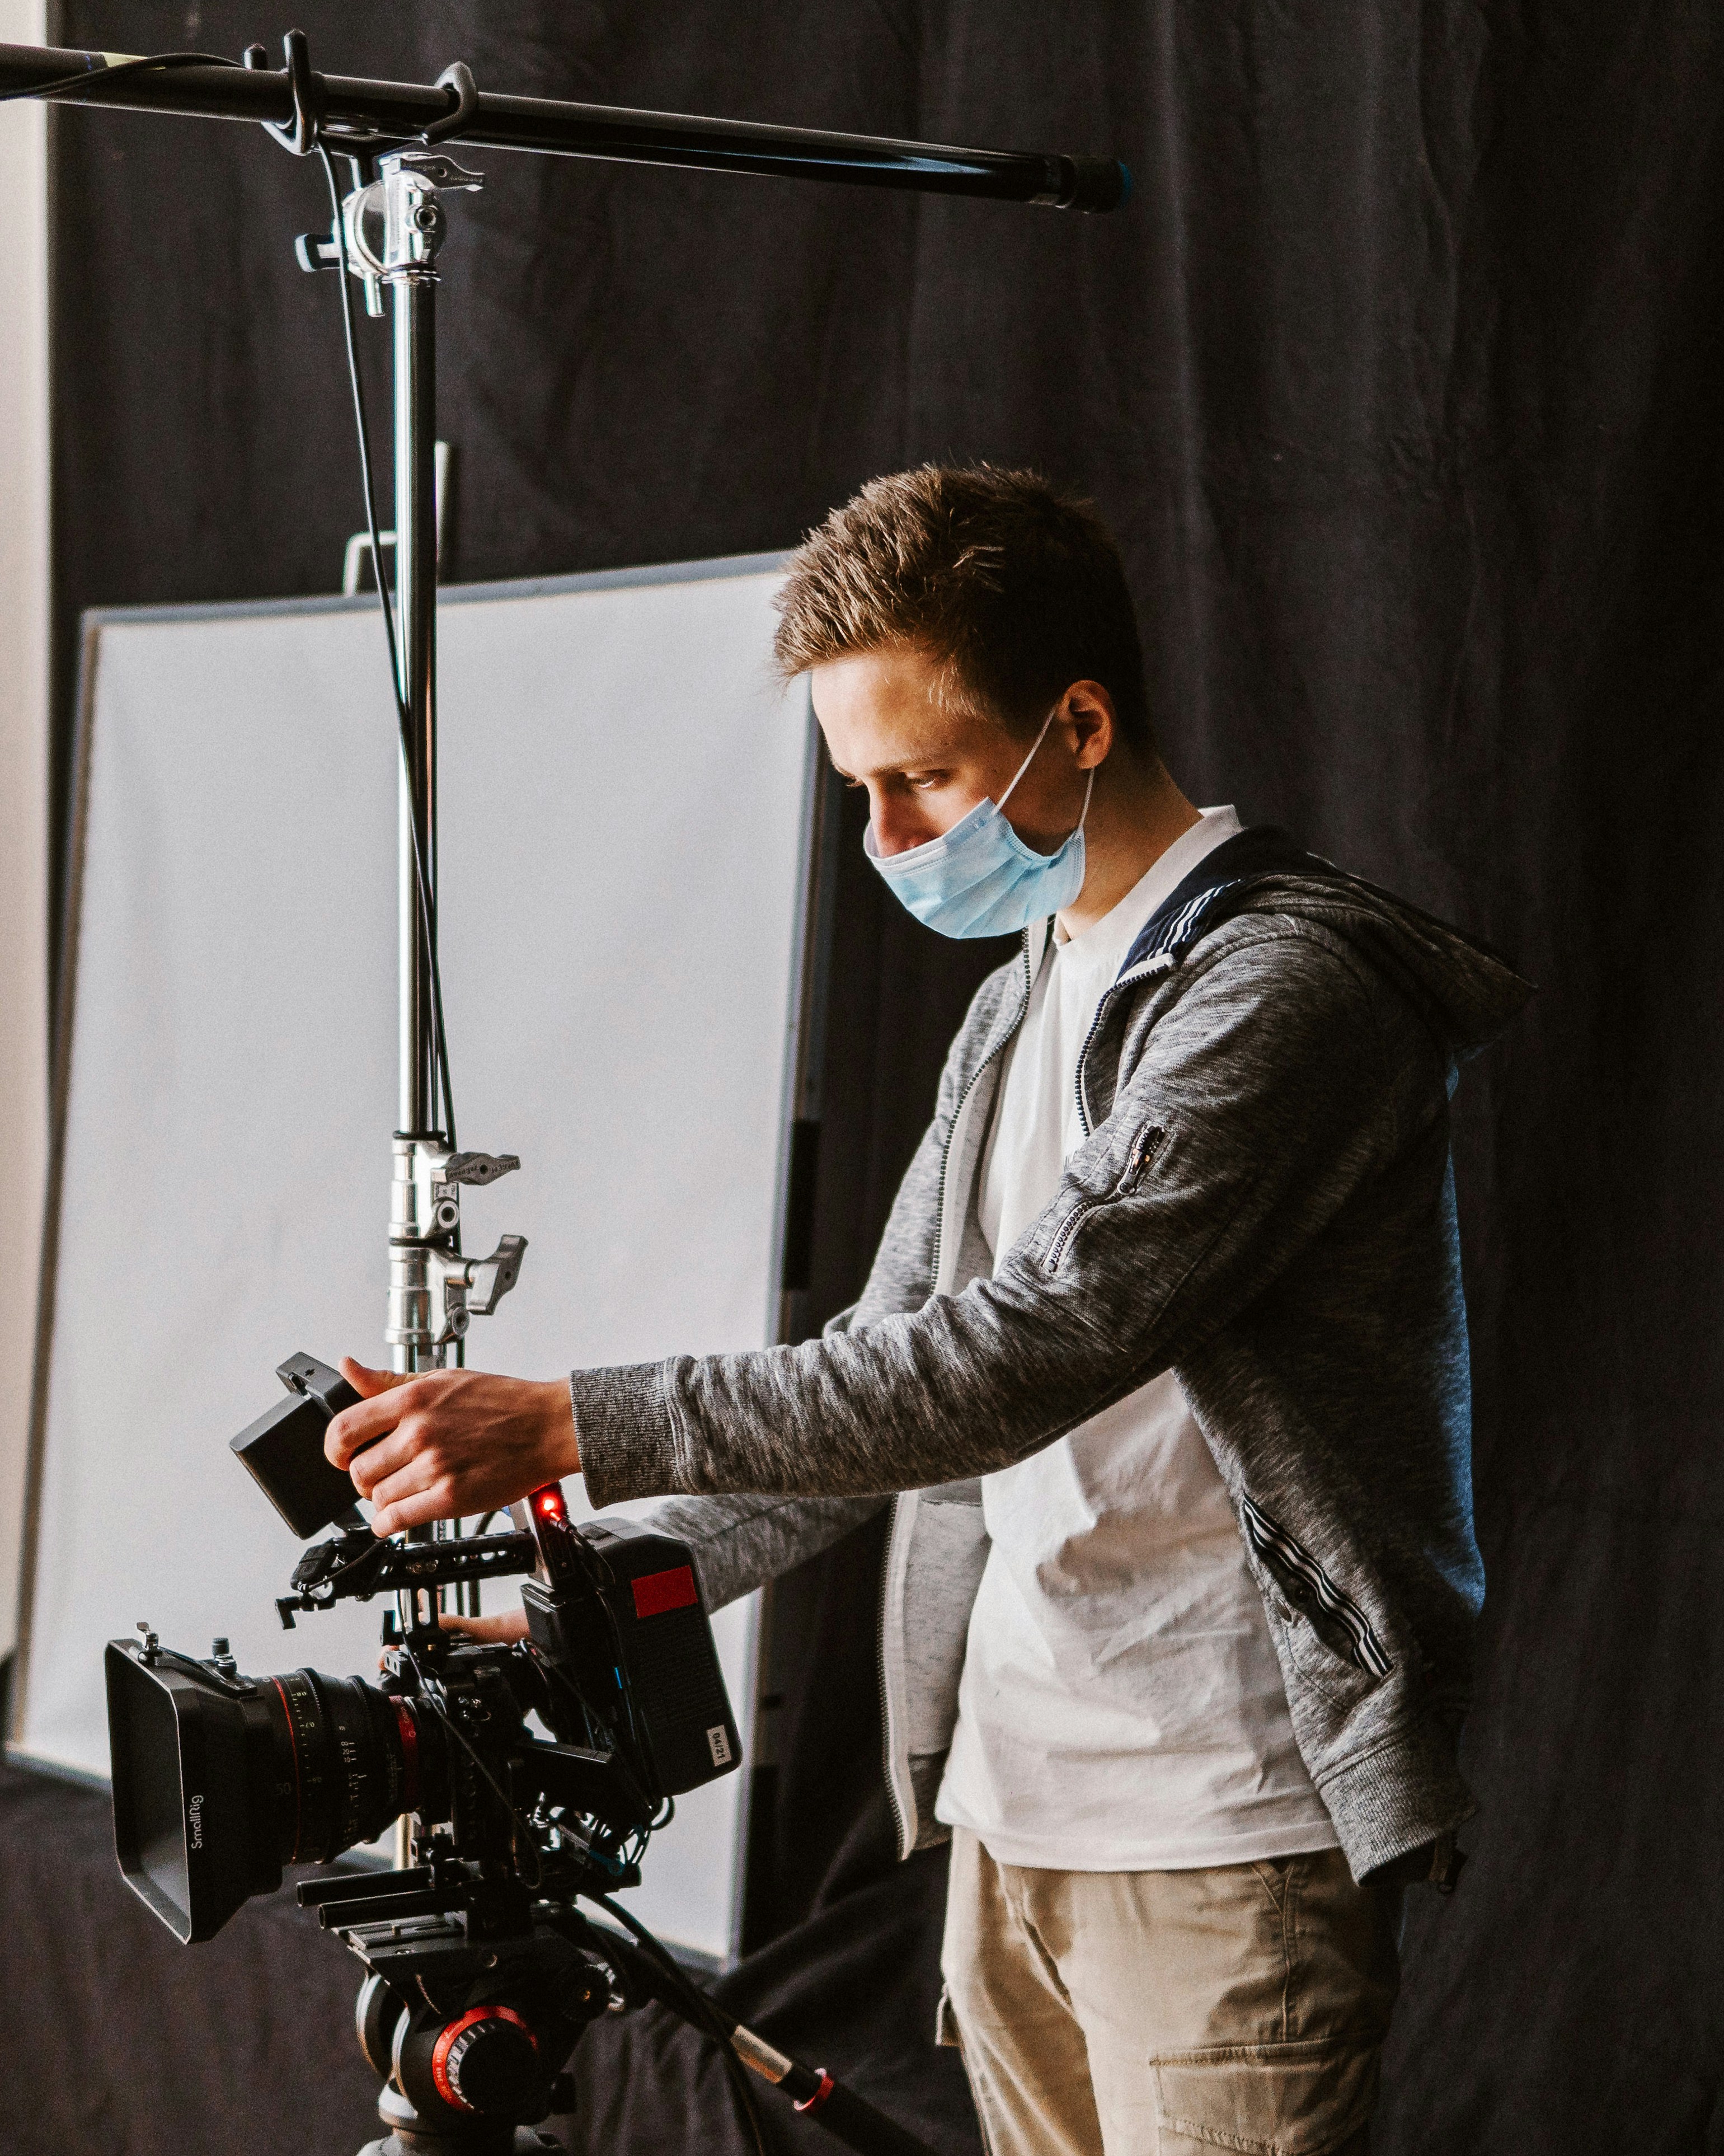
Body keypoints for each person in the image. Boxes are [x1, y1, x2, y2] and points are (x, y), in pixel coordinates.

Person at [325, 465, 1528, 2156]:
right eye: (860, 790)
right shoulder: (1015, 1002)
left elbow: (1018, 1353)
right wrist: (576, 1597)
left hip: (1224, 1830)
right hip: (1008, 1814)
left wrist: (566, 1419)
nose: (888, 837)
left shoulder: (1283, 992)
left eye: (922, 778)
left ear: (1082, 722)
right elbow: (863, 1402)